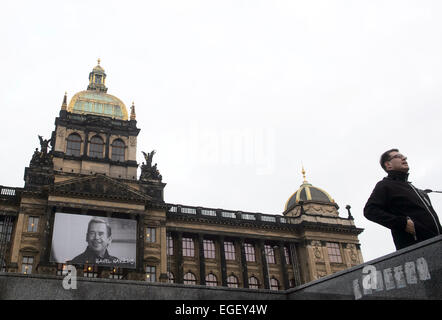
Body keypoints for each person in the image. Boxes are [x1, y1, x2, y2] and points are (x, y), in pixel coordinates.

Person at [364, 148, 441, 250]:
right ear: (388, 165)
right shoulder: (385, 185)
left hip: (437, 244)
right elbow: (370, 211)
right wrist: (403, 223)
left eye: (404, 157)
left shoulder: (418, 191)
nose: (404, 158)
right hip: (415, 250)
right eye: (397, 157)